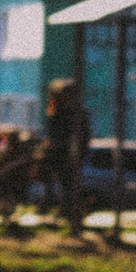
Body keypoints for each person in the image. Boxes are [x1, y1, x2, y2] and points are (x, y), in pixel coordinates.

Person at [43, 78, 91, 230]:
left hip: (66, 154)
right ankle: (63, 210)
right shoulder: (61, 110)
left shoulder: (73, 113)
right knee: (62, 183)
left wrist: (61, 146)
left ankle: (70, 212)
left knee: (67, 184)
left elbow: (76, 135)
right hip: (60, 153)